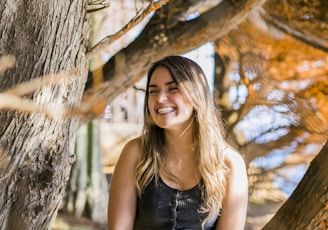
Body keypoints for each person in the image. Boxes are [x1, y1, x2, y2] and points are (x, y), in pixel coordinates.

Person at [107, 55, 248, 230]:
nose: (160, 99)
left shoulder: (230, 163)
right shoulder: (136, 152)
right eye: (153, 91)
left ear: (197, 96)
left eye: (172, 89)